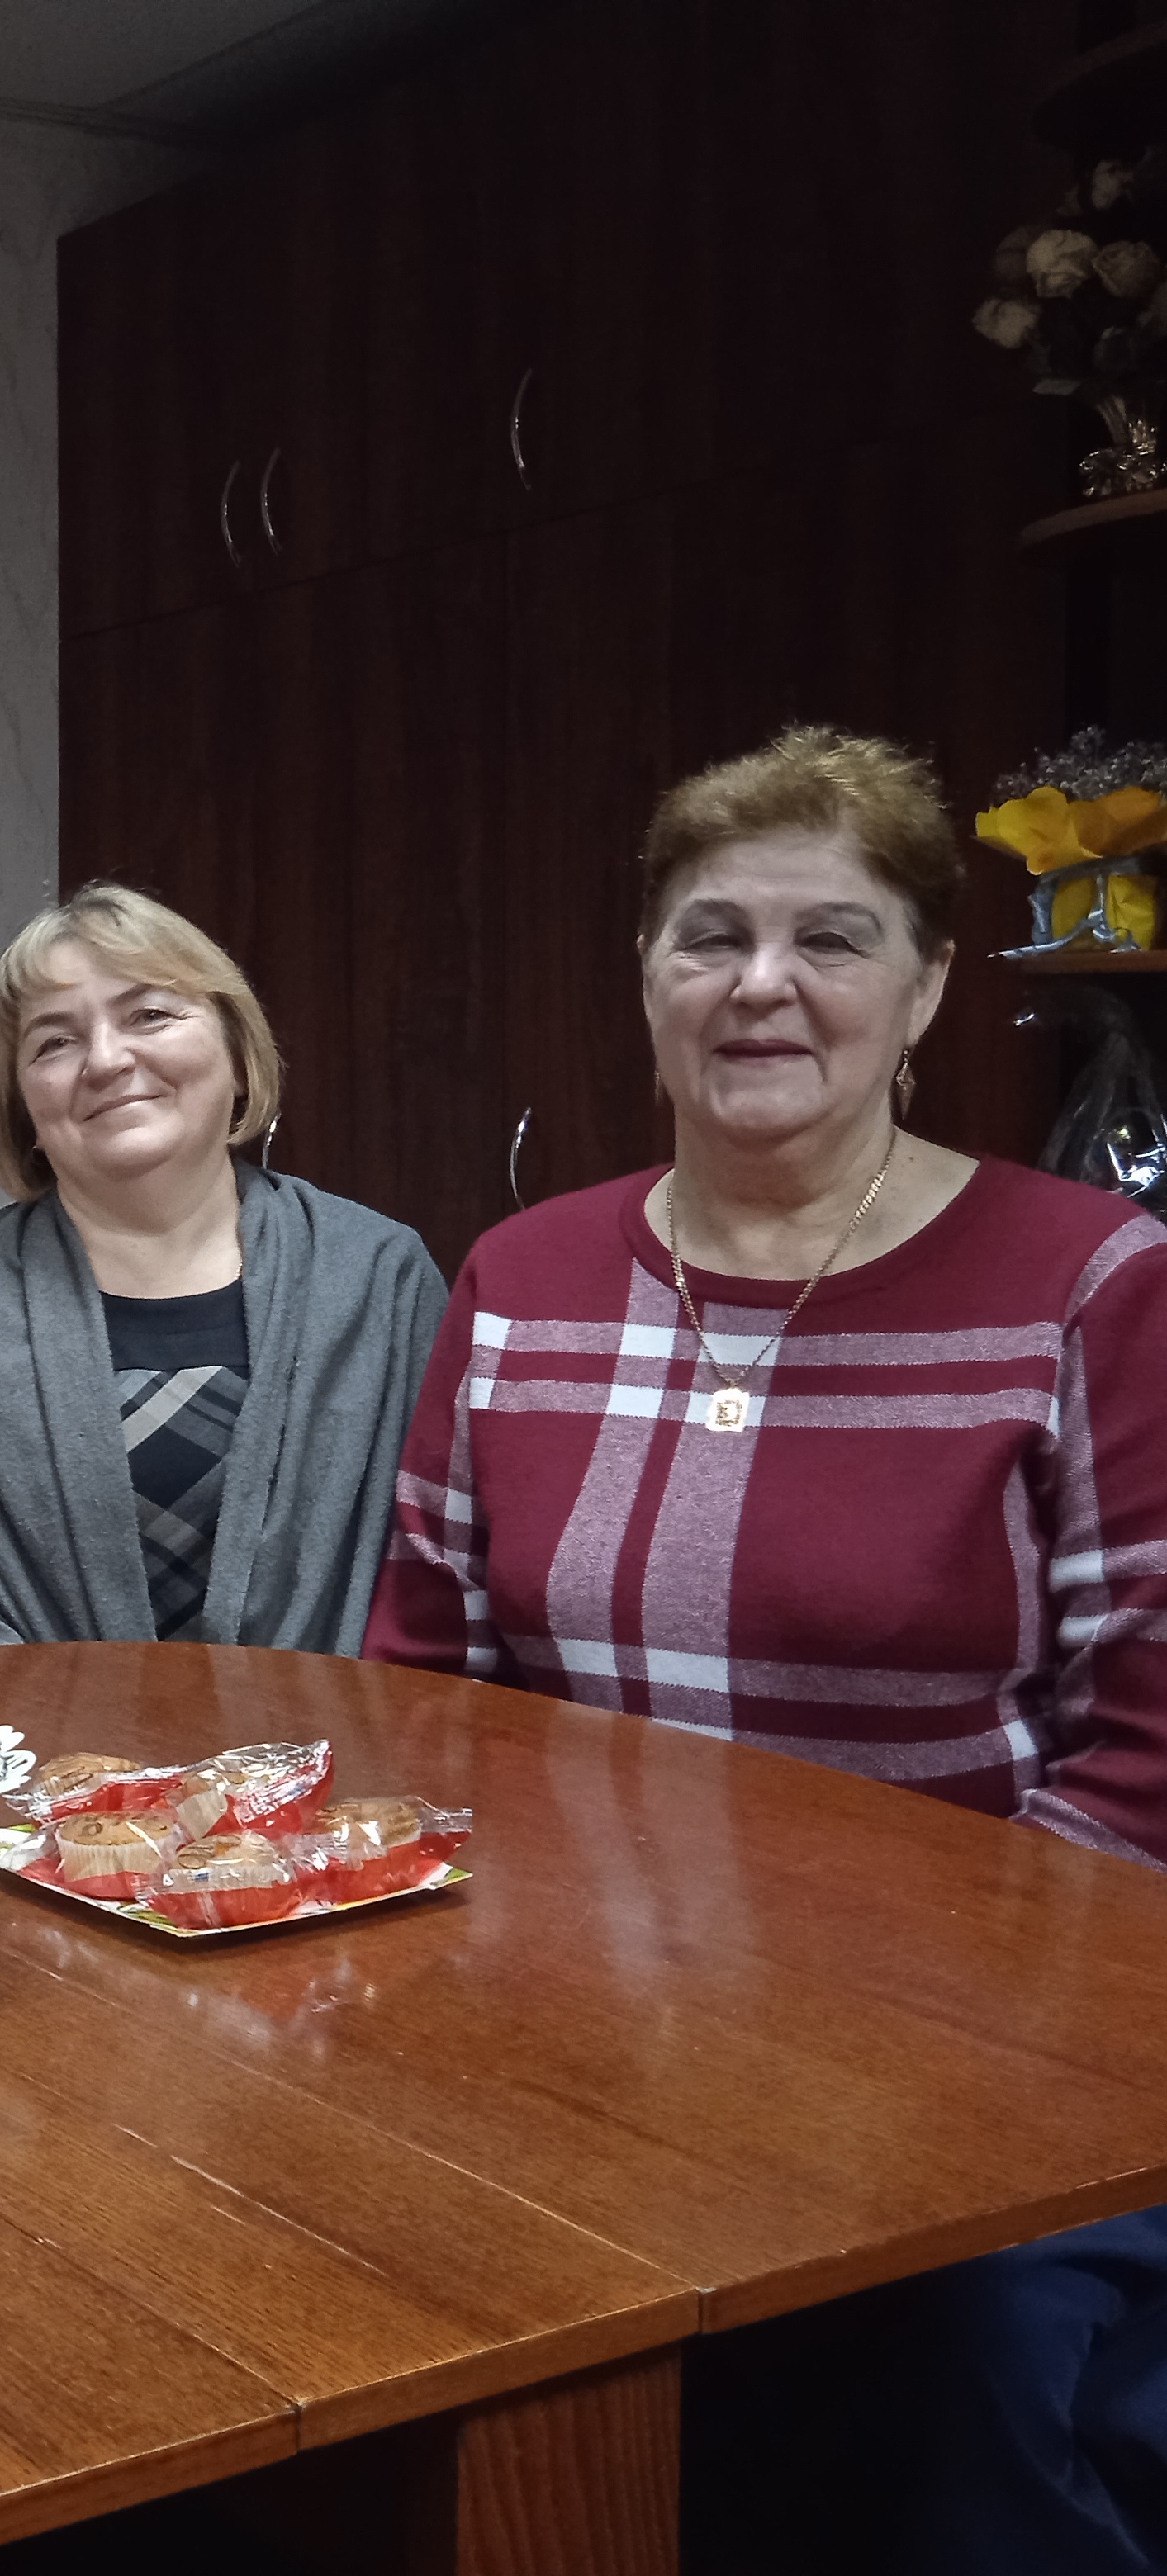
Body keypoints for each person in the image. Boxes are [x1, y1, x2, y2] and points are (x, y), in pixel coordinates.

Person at [363, 725, 1167, 2574]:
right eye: (709, 937)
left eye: (831, 939)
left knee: (944, 2370)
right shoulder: (518, 1281)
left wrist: (889, 2053)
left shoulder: (1088, 1280)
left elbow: (1144, 1753)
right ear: (647, 979)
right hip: (578, 2035)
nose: (760, 986)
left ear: (927, 987)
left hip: (990, 2073)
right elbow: (426, 1699)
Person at [0, 884, 444, 1650]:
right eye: (54, 1042)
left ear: (238, 1056)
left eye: (149, 1015)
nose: (106, 1060)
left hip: (350, 1727)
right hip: (32, 1730)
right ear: (24, 1107)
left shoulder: (379, 1276)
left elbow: (436, 1567)